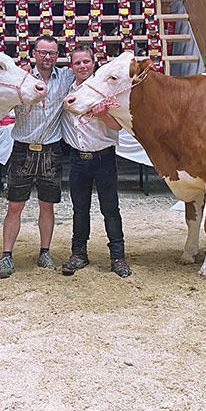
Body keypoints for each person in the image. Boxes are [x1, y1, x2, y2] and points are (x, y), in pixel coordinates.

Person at [0, 35, 74, 279]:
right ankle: (7, 255)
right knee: (14, 206)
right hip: (22, 148)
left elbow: (88, 76)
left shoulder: (65, 77)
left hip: (51, 150)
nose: (47, 57)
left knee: (47, 206)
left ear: (58, 55)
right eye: (43, 52)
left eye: (52, 53)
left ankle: (45, 252)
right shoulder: (20, 78)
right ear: (34, 53)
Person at [61, 43, 130, 278]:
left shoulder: (105, 91)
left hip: (103, 158)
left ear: (94, 63)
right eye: (77, 62)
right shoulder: (68, 91)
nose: (82, 66)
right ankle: (78, 253)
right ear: (71, 66)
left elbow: (117, 126)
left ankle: (117, 257)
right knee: (80, 210)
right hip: (77, 159)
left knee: (110, 209)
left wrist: (102, 114)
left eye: (86, 62)